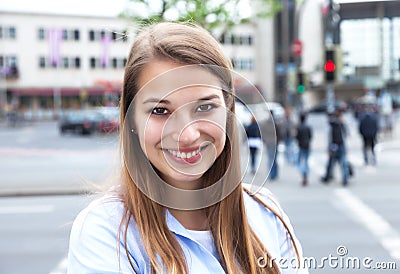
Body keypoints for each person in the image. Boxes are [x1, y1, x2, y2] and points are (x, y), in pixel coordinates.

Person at [67, 22, 307, 274]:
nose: (188, 134)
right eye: (160, 111)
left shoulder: (264, 212)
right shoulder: (106, 230)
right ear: (132, 120)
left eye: (204, 107)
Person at [321, 110, 349, 186]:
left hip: (334, 146)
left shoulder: (332, 125)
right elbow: (345, 136)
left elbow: (329, 138)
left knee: (332, 162)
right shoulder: (340, 124)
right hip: (340, 145)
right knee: (342, 162)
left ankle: (329, 176)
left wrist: (329, 149)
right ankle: (344, 178)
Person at [260, 110, 282, 181]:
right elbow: (280, 132)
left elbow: (262, 132)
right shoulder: (276, 123)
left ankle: (271, 174)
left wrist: (264, 139)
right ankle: (274, 173)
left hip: (268, 142)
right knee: (275, 158)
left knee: (270, 158)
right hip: (275, 142)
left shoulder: (265, 123)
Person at [295, 112, 312, 186]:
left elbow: (297, 137)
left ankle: (303, 172)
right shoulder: (308, 127)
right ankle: (305, 172)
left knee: (299, 161)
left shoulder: (298, 127)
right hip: (307, 145)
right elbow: (311, 136)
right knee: (306, 160)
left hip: (301, 146)